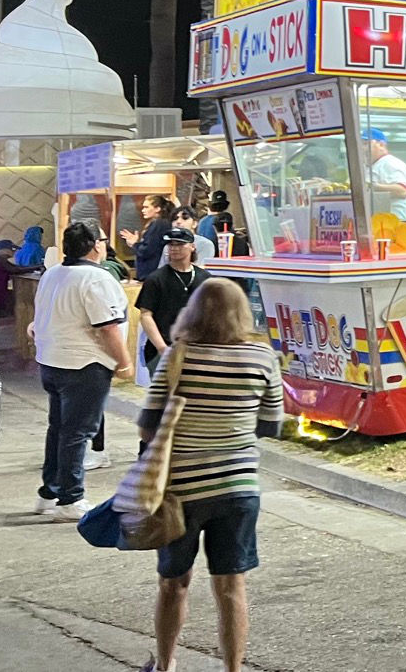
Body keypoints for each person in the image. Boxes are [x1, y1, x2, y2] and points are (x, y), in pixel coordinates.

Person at [139, 278, 283, 672]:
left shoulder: (177, 357)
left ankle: (166, 665)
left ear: (194, 311)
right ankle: (233, 670)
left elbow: (147, 424)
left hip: (180, 493)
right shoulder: (262, 357)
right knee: (232, 587)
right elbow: (271, 425)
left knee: (173, 584)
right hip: (238, 488)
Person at [29, 222, 130, 517]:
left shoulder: (53, 274)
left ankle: (50, 492)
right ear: (96, 245)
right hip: (85, 364)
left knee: (58, 429)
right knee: (76, 432)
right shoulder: (96, 278)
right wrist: (124, 362)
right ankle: (70, 498)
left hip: (52, 361)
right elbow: (108, 327)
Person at [138, 229, 211, 372]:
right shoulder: (155, 279)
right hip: (162, 348)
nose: (174, 248)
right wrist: (162, 348)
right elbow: (146, 315)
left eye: (180, 244)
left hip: (196, 349)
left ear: (192, 246)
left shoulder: (205, 278)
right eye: (171, 244)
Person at [362, 129, 406, 221]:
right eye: (361, 145)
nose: (363, 148)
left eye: (366, 144)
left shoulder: (390, 163)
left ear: (381, 145)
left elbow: (402, 191)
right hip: (381, 224)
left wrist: (372, 186)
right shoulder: (370, 167)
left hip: (400, 224)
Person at [124, 196, 178, 280]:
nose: (143, 210)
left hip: (151, 273)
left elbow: (148, 250)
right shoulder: (160, 223)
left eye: (146, 207)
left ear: (157, 208)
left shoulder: (159, 224)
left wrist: (135, 244)